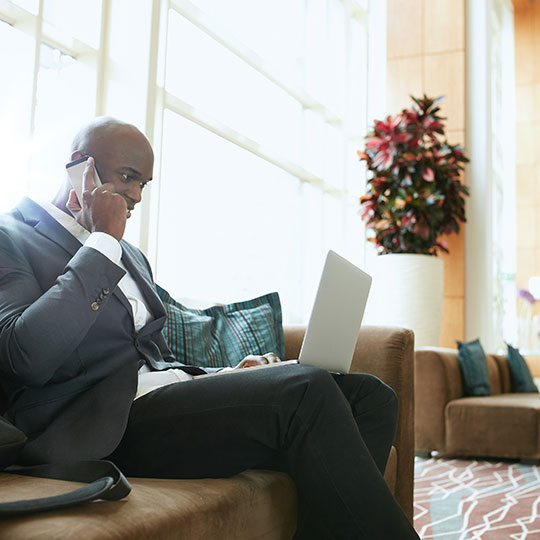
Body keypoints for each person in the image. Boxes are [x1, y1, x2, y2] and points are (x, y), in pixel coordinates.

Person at [0, 117, 419, 539]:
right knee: (304, 390)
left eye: (143, 184)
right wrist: (103, 241)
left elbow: (153, 361)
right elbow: (26, 356)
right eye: (128, 177)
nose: (135, 196)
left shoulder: (133, 257)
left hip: (153, 405)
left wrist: (228, 376)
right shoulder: (13, 237)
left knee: (370, 397)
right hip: (94, 428)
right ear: (80, 168)